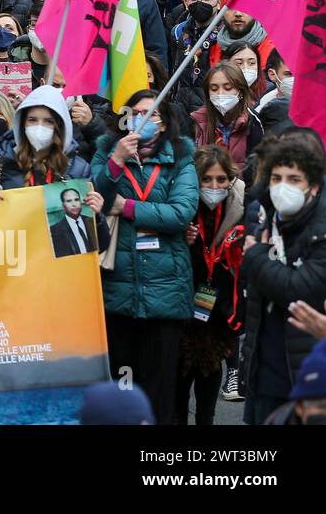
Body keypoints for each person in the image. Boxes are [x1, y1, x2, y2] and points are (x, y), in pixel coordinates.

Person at [92, 89, 199, 425]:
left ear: (165, 122)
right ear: (124, 118)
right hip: (117, 292)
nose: (143, 118)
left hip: (164, 292)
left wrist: (128, 207)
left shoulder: (181, 158)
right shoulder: (106, 152)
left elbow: (180, 213)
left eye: (152, 113)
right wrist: (117, 161)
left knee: (159, 395)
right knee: (122, 393)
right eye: (135, 112)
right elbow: (93, 200)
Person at [240, 137, 326, 425]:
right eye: (276, 178)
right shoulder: (269, 217)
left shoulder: (321, 229)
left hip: (306, 375)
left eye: (294, 179)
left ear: (313, 186)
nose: (283, 187)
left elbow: (299, 290)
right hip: (263, 368)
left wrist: (256, 257)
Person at [176, 145, 246, 426]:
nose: (214, 186)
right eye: (207, 179)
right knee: (178, 399)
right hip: (182, 309)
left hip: (217, 312)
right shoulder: (182, 209)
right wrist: (185, 243)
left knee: (207, 401)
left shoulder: (238, 210)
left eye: (221, 180)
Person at [0, 84, 93, 193]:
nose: (39, 127)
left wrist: (96, 211)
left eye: (48, 121)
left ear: (60, 127)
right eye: (32, 120)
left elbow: (87, 214)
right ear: (22, 124)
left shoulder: (78, 168)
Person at [191, 61, 263, 174]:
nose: (221, 94)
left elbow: (257, 170)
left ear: (241, 91)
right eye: (214, 89)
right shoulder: (196, 122)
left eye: (228, 88)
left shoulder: (254, 123)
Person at [49, 186, 107, 258]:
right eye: (69, 201)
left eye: (76, 200)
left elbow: (104, 245)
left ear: (81, 202)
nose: (74, 204)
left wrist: (99, 216)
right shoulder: (55, 230)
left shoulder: (92, 221)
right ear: (63, 206)